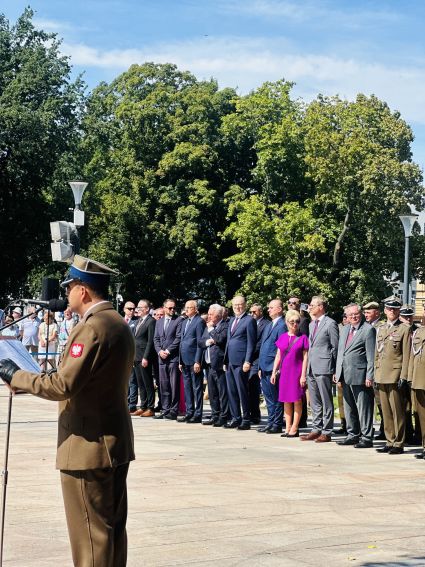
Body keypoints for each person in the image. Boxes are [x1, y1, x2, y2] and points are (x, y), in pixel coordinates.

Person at [0, 254, 136, 566]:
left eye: (70, 286)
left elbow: (64, 385)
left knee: (90, 538)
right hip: (110, 444)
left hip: (87, 445)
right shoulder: (116, 323)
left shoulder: (92, 327)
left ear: (83, 291)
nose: (67, 294)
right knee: (110, 532)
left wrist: (15, 375)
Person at [335, 303, 376, 448]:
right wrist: (337, 371)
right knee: (348, 406)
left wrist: (369, 376)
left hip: (361, 375)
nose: (353, 316)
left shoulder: (368, 330)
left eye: (356, 313)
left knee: (363, 408)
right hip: (345, 374)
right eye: (350, 314)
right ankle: (352, 434)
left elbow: (371, 356)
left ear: (361, 314)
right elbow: (341, 352)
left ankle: (366, 437)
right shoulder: (345, 329)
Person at [374, 296, 410, 455]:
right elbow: (377, 353)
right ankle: (389, 440)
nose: (392, 311)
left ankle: (399, 442)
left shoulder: (404, 329)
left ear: (398, 311)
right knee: (386, 411)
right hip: (381, 374)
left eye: (395, 309)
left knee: (397, 411)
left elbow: (407, 354)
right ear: (384, 310)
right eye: (389, 309)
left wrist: (404, 375)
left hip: (395, 374)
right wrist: (375, 373)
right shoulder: (381, 329)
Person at [301, 295, 339, 443]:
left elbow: (335, 347)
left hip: (324, 366)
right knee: (315, 400)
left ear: (321, 307)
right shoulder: (312, 324)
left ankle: (327, 431)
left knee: (326, 400)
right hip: (312, 366)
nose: (309, 307)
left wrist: (335, 369)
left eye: (312, 305)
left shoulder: (330, 324)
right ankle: (316, 429)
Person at [272, 309, 309, 437]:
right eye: (292, 322)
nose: (295, 324)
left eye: (297, 322)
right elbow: (278, 356)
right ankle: (287, 427)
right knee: (286, 400)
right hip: (285, 373)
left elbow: (305, 358)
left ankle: (295, 427)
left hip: (297, 373)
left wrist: (303, 375)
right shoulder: (282, 337)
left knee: (297, 400)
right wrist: (273, 372)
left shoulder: (303, 338)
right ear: (287, 323)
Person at [223, 295, 257, 430]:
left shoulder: (249, 321)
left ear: (245, 305)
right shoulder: (232, 320)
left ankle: (246, 419)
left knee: (242, 391)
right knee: (232, 391)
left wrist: (248, 360)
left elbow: (251, 342)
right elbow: (228, 342)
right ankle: (236, 418)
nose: (237, 307)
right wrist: (225, 359)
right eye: (235, 305)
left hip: (241, 361)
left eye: (240, 304)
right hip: (230, 361)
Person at [258, 299, 287, 434]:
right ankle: (270, 422)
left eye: (271, 307)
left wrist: (277, 369)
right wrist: (259, 366)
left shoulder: (282, 325)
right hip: (264, 365)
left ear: (280, 309)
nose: (268, 310)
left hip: (272, 366)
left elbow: (281, 349)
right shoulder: (269, 325)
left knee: (275, 397)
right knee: (268, 396)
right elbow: (263, 346)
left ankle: (276, 423)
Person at [198, 304, 230, 426]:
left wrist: (212, 331)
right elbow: (200, 342)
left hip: (219, 364)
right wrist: (208, 341)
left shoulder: (224, 325)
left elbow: (221, 339)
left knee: (222, 391)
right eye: (209, 314)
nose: (209, 316)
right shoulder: (209, 326)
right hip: (209, 364)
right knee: (212, 393)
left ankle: (224, 416)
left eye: (211, 314)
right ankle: (215, 415)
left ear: (218, 314)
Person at [153, 298, 182, 420]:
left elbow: (178, 338)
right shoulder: (159, 322)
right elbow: (156, 339)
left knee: (173, 385)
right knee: (163, 385)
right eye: (170, 308)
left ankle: (173, 410)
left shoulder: (179, 320)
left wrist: (168, 351)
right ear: (164, 308)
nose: (172, 310)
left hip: (173, 358)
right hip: (162, 359)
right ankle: (165, 409)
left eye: (174, 308)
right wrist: (159, 351)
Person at [178, 300, 206, 423]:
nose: (187, 309)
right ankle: (189, 412)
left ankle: (198, 413)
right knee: (187, 387)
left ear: (195, 309)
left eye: (190, 307)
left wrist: (197, 361)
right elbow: (182, 342)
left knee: (197, 387)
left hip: (194, 360)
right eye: (186, 307)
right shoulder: (184, 322)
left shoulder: (199, 321)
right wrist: (180, 360)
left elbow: (200, 342)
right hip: (184, 360)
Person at [132, 299, 156, 417]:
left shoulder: (151, 321)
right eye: (138, 307)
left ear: (147, 309)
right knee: (140, 383)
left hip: (144, 357)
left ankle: (151, 407)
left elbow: (150, 341)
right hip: (136, 356)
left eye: (140, 308)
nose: (138, 310)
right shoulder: (138, 321)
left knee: (147, 382)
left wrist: (145, 357)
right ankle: (143, 405)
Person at [248, 303, 267, 424]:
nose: (252, 314)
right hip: (248, 358)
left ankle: (255, 415)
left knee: (253, 385)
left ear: (260, 312)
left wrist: (249, 352)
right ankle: (250, 413)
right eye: (251, 312)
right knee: (248, 387)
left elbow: (261, 343)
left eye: (254, 312)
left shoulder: (266, 324)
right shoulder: (250, 322)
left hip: (257, 358)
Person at [408, 323, 425, 459]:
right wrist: (410, 377)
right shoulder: (418, 332)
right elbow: (412, 356)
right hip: (419, 379)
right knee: (422, 417)